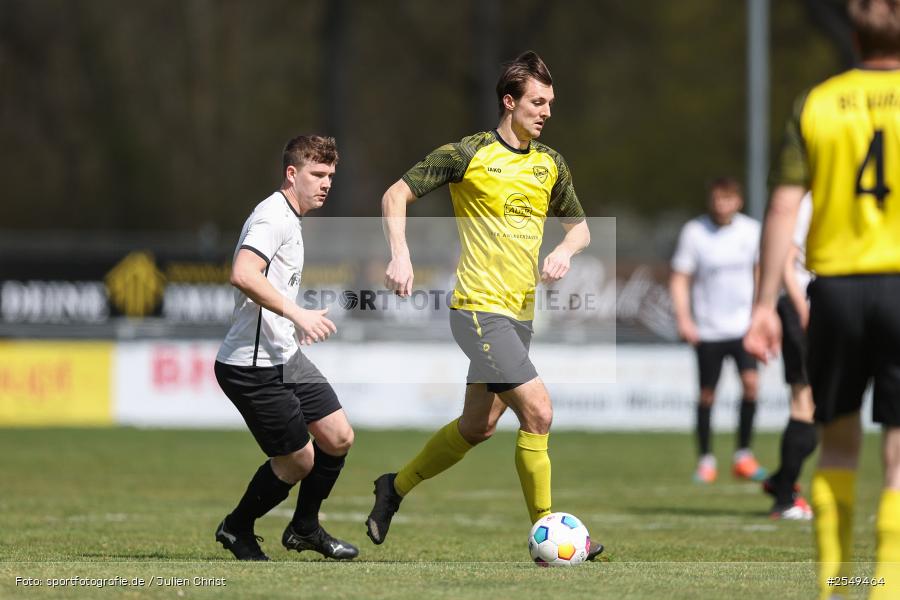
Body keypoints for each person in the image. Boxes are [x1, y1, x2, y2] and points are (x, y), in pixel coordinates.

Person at [365, 51, 602, 561]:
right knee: (539, 412)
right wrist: (400, 254)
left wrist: (564, 249)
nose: (546, 112)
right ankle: (551, 532)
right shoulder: (468, 153)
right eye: (537, 102)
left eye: (551, 103)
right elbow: (394, 195)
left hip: (518, 317)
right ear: (509, 102)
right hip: (477, 309)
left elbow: (580, 228)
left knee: (478, 427)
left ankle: (394, 487)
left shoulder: (549, 165)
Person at [744, 1, 900, 597]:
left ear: (854, 36)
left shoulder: (817, 103)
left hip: (834, 291)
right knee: (894, 449)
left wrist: (763, 304)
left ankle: (835, 586)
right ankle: (884, 586)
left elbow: (784, 207)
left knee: (836, 442)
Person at [213, 135, 358, 561]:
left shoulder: (291, 218)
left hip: (284, 356)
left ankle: (304, 529)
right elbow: (242, 273)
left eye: (330, 175)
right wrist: (298, 314)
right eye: (317, 174)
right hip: (252, 367)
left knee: (338, 437)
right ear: (291, 174)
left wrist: (293, 322)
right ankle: (236, 528)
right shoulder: (272, 217)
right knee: (299, 461)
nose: (326, 183)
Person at [669, 178, 766, 484]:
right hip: (709, 329)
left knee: (751, 385)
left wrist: (762, 313)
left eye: (728, 199)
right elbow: (680, 278)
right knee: (707, 394)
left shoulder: (751, 231)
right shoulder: (695, 232)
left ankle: (744, 457)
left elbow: (762, 273)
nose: (722, 205)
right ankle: (706, 460)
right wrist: (684, 319)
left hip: (744, 328)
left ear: (738, 201)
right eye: (717, 199)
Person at [762, 193, 816, 521]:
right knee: (804, 402)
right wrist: (800, 306)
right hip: (806, 308)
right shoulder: (807, 200)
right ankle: (784, 499)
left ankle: (781, 479)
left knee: (825, 412)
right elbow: (786, 255)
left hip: (833, 307)